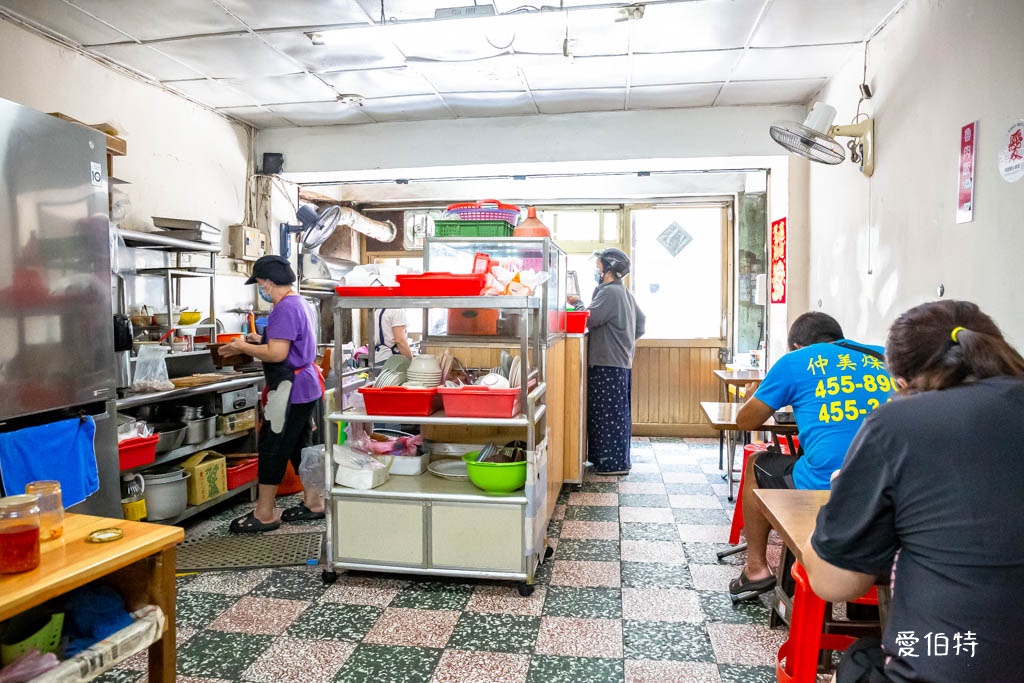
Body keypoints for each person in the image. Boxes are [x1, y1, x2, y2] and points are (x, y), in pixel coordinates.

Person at [802, 300, 1024, 683]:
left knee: (859, 660)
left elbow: (836, 583)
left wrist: (841, 499)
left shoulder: (898, 423)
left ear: (902, 383)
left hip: (952, 665)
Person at [730, 311, 892, 596]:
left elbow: (746, 421)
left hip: (828, 483)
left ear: (796, 346)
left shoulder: (795, 362)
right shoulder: (885, 357)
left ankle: (755, 569)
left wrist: (752, 396)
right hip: (892, 486)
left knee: (758, 463)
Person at [219, 255, 325, 533]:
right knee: (301, 445)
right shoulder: (299, 302)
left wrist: (243, 347)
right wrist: (259, 340)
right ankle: (314, 503)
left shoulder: (284, 308)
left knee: (272, 447)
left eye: (260, 284)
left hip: (290, 389)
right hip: (306, 387)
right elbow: (287, 341)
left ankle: (264, 513)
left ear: (266, 282)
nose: (261, 289)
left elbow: (278, 353)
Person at [576, 248, 645, 474]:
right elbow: (641, 323)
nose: (597, 271)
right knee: (617, 414)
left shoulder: (609, 292)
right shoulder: (623, 292)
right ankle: (614, 460)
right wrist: (625, 342)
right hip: (620, 362)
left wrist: (577, 304)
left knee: (606, 416)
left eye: (599, 266)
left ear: (608, 268)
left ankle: (611, 463)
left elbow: (589, 319)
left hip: (607, 363)